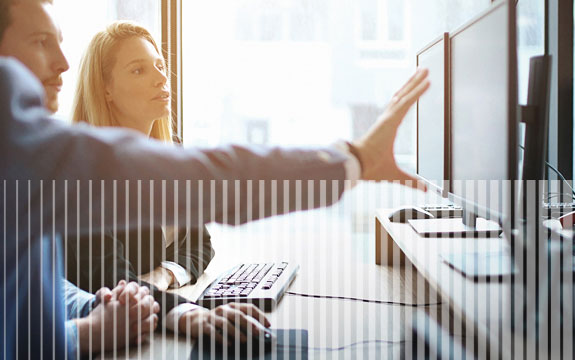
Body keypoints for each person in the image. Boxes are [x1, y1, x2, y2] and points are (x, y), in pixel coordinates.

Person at [0, 0, 429, 358]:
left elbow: (41, 289)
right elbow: (205, 182)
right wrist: (353, 160)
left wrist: (109, 316)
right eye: (40, 42)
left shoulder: (27, 178)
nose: (62, 62)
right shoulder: (32, 149)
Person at [65, 21, 215, 316]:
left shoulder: (170, 150)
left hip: (152, 313)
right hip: (107, 335)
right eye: (139, 70)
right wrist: (187, 314)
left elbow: (201, 243)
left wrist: (165, 273)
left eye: (159, 66)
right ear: (105, 89)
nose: (161, 78)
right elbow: (115, 284)